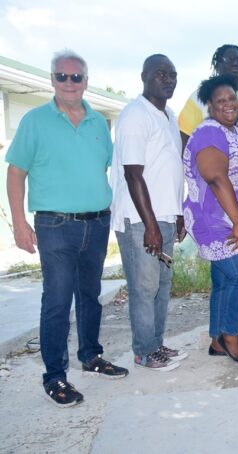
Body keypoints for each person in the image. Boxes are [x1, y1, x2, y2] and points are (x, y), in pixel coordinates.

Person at [5, 50, 128, 407]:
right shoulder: (35, 121)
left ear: (86, 82)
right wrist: (19, 223)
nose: (69, 83)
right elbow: (16, 173)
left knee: (90, 295)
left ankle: (91, 356)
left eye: (76, 77)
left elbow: (107, 169)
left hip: (96, 222)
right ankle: (55, 377)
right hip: (54, 225)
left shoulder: (97, 125)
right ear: (52, 80)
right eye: (62, 77)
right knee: (57, 300)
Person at [110, 54, 187, 372]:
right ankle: (143, 351)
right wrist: (152, 224)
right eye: (160, 74)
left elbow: (171, 170)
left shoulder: (168, 115)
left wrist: (179, 213)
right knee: (144, 287)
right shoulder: (134, 116)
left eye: (172, 74)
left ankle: (155, 345)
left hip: (165, 217)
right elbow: (133, 175)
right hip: (141, 220)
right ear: (144, 76)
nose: (168, 79)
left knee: (162, 285)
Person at [182, 75, 238, 363]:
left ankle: (217, 338)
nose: (228, 104)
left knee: (223, 278)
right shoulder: (210, 132)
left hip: (231, 218)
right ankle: (230, 334)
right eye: (221, 100)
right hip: (221, 221)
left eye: (232, 98)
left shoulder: (231, 131)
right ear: (209, 105)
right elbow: (216, 177)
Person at [178, 44, 238, 163]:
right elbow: (185, 137)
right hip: (215, 172)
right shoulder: (200, 96)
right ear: (217, 66)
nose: (235, 63)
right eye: (229, 60)